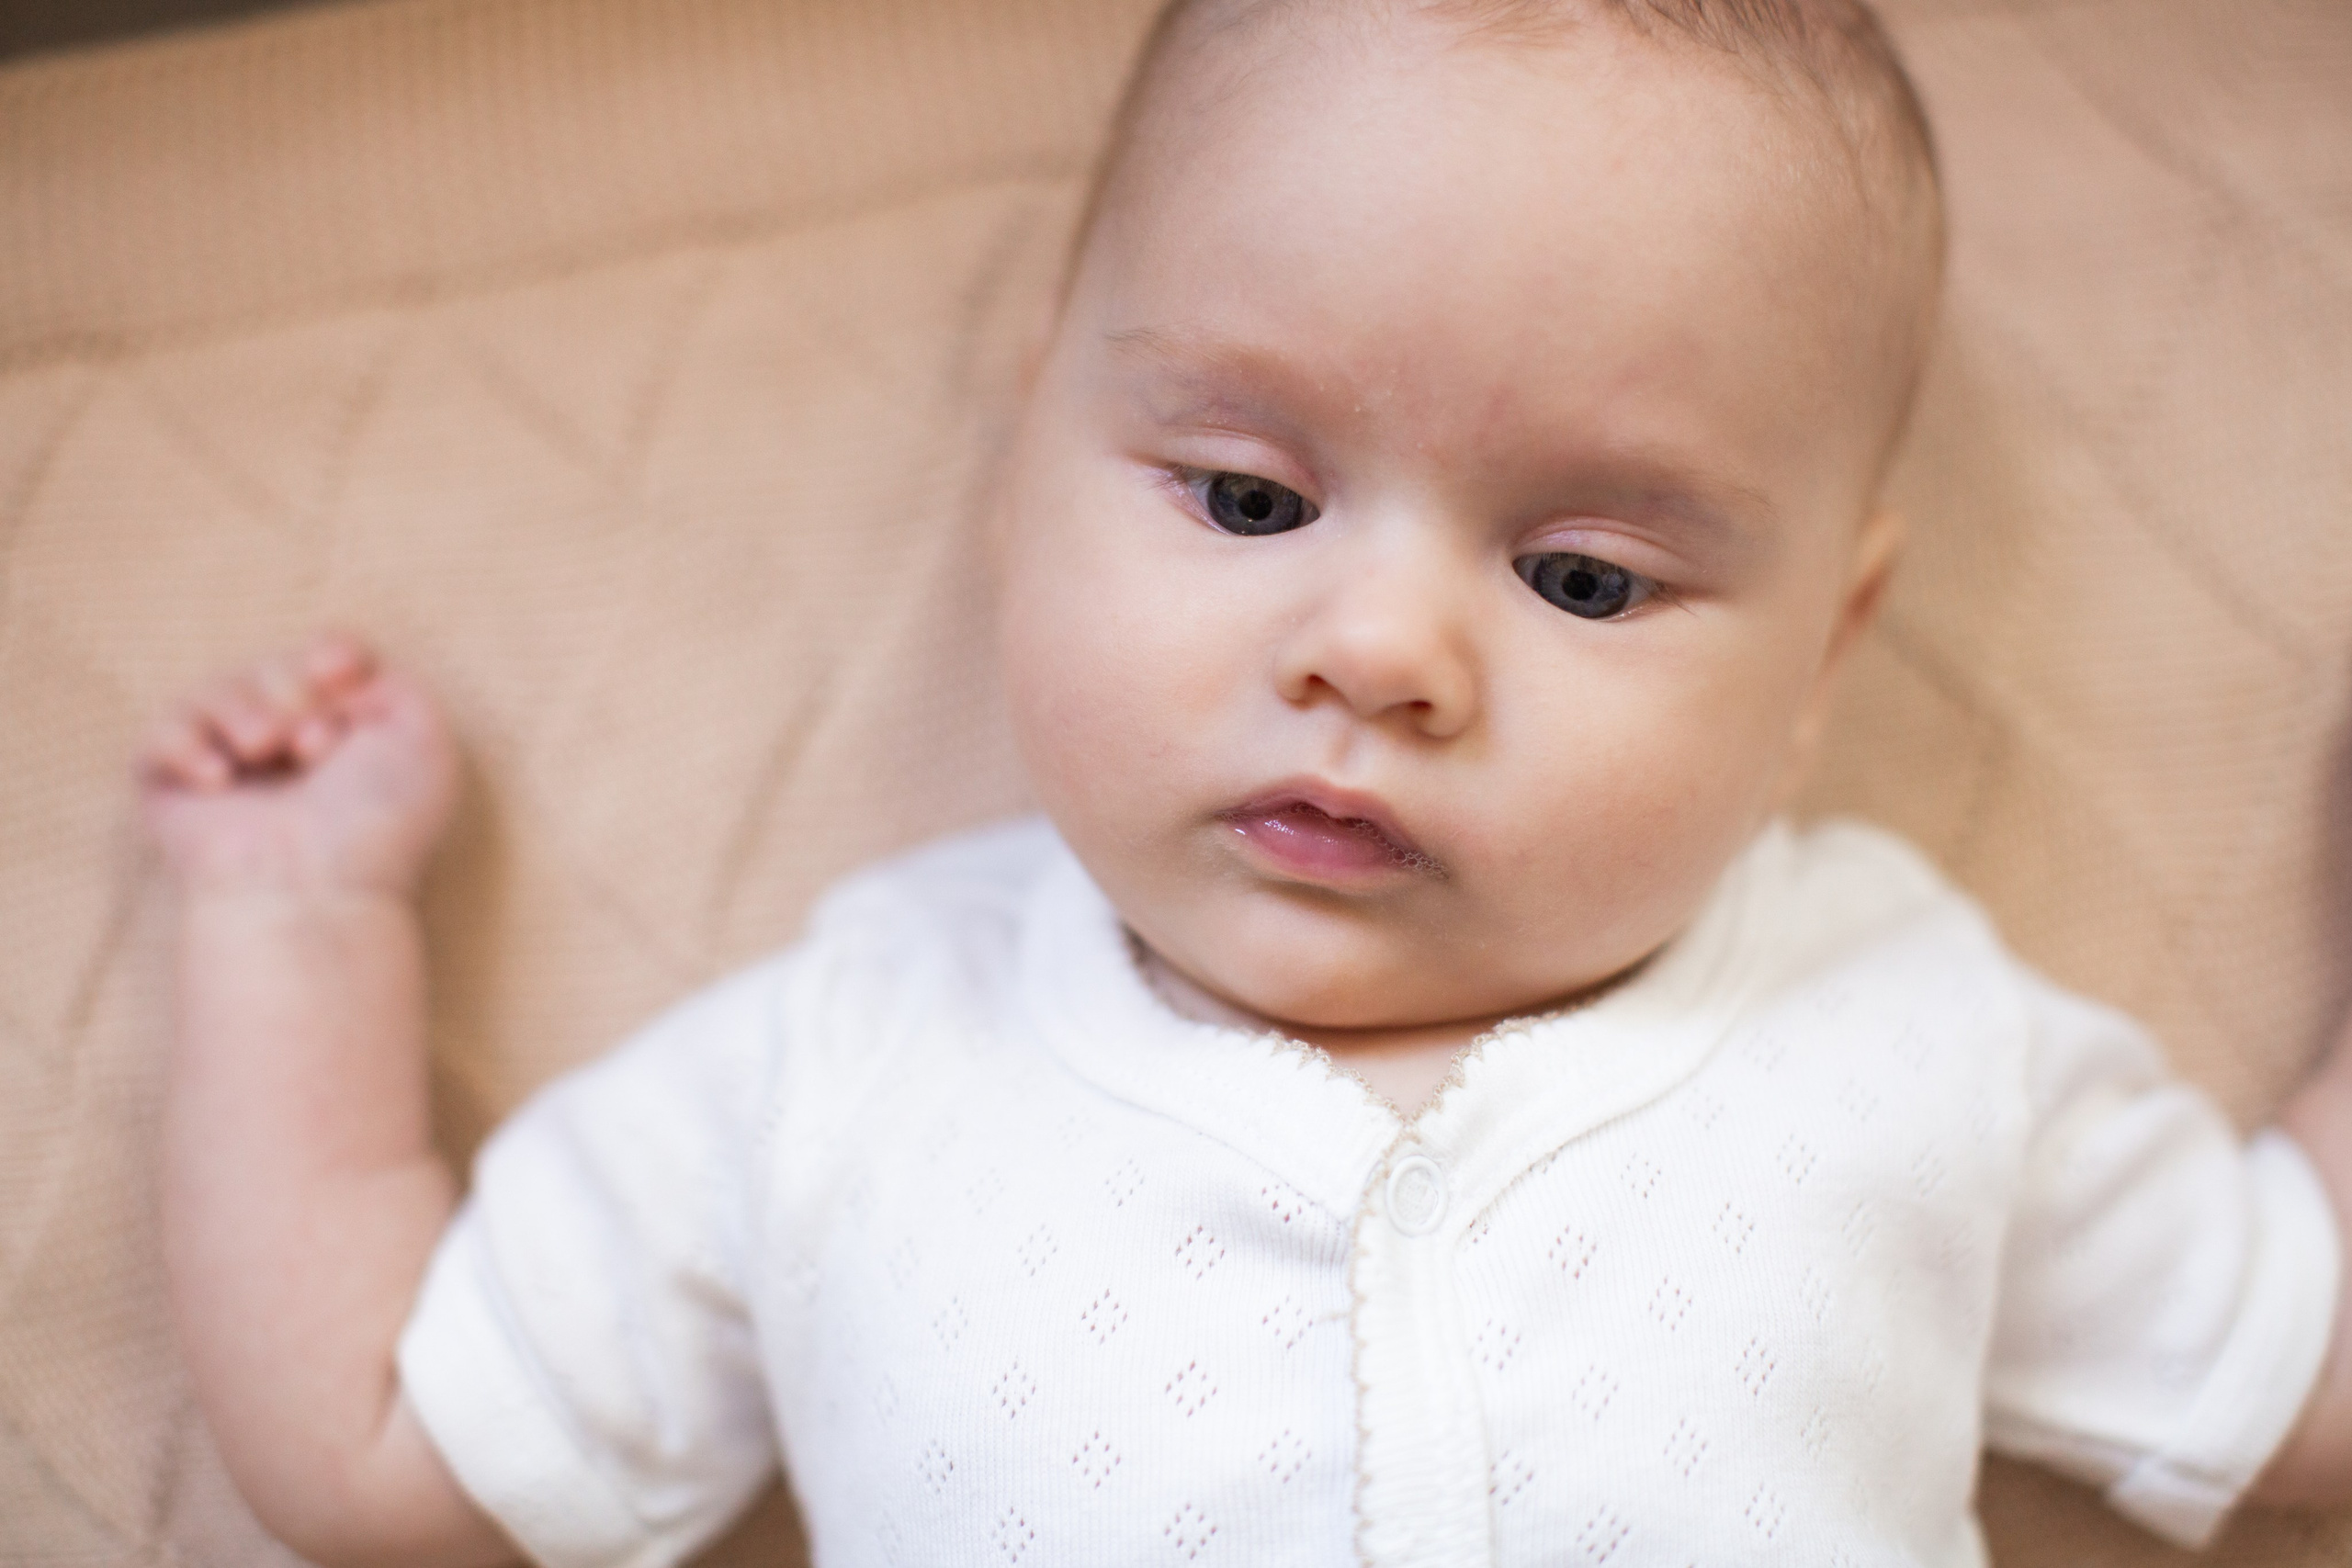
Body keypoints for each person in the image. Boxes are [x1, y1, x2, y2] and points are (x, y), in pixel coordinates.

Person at [136, 1, 2352, 1563]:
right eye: (1243, 499)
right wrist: (292, 931)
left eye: (1582, 571)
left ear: (1817, 666)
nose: (1375, 652)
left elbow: (2302, 1384)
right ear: (1024, 471)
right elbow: (383, 1457)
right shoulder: (863, 1047)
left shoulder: (1898, 1023)